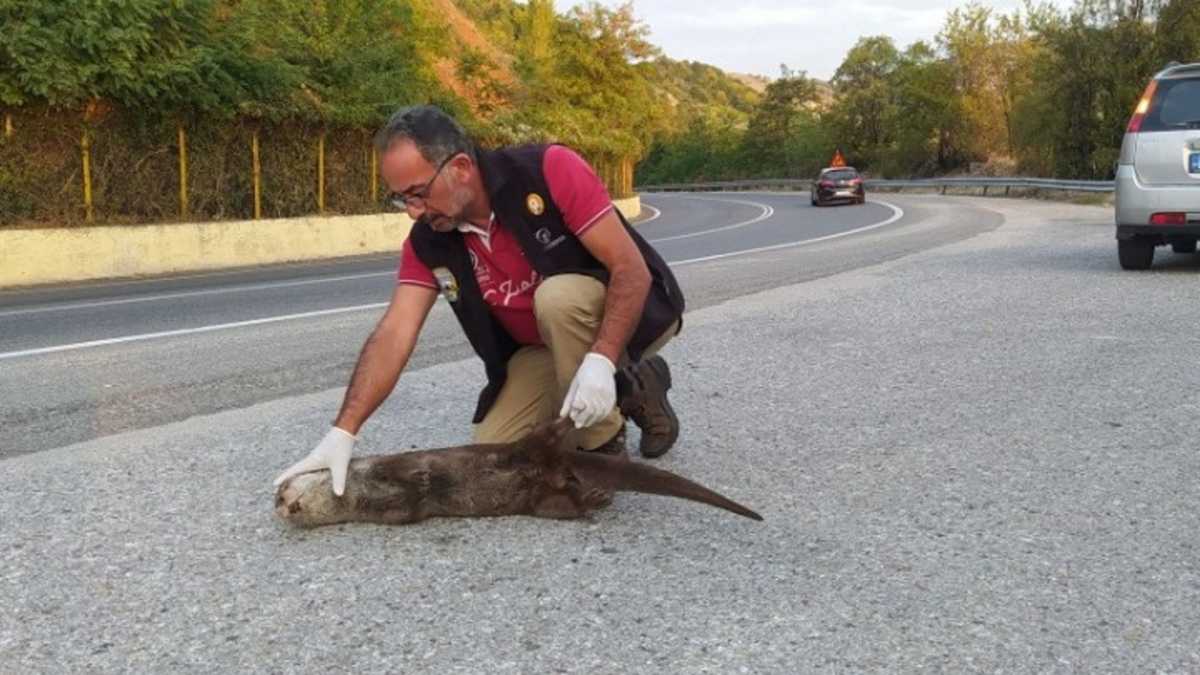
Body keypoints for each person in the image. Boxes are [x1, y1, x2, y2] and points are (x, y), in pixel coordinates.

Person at [274, 105, 685, 496]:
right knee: (495, 451)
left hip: (622, 317)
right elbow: (395, 332)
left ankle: (604, 447)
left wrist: (602, 358)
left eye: (418, 193)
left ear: (461, 168)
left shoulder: (547, 170)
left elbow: (630, 269)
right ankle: (632, 385)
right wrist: (343, 431)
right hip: (537, 348)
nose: (413, 212)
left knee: (558, 299)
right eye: (401, 199)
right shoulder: (428, 243)